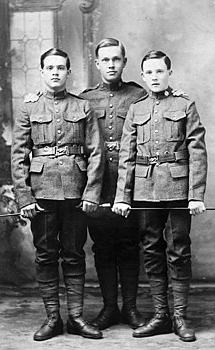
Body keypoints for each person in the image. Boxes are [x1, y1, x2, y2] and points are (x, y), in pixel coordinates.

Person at [80, 38, 187, 331]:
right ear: (97, 63)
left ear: (124, 62)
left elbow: (162, 104)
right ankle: (109, 308)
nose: (111, 65)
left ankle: (130, 308)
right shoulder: (84, 99)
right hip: (98, 181)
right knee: (102, 246)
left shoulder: (140, 95)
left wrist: (172, 94)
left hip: (135, 182)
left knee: (130, 244)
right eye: (106, 60)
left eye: (117, 59)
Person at [113, 50, 207, 342]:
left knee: (178, 248)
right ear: (142, 77)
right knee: (151, 248)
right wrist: (122, 197)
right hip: (144, 189)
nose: (154, 77)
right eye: (149, 73)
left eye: (159, 71)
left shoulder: (185, 104)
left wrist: (196, 193)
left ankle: (179, 317)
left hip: (179, 188)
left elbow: (197, 151)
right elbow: (126, 157)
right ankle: (160, 315)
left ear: (169, 73)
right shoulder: (136, 108)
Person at [11, 48, 104, 341]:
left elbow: (96, 152)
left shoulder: (82, 107)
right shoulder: (29, 108)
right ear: (42, 72)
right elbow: (18, 157)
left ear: (68, 72)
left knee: (75, 254)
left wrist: (92, 192)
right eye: (49, 68)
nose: (55, 72)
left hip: (76, 191)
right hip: (41, 192)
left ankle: (76, 317)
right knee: (46, 255)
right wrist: (24, 197)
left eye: (60, 68)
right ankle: (53, 319)